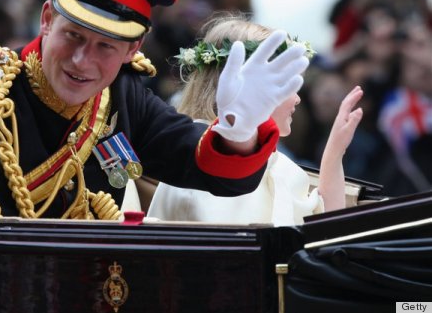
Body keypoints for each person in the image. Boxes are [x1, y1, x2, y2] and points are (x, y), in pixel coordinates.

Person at [0, 0, 309, 220]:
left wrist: (239, 127)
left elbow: (204, 165)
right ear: (46, 19)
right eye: (74, 36)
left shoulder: (121, 96)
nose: (84, 61)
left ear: (134, 48)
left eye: (106, 46)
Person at [147, 13, 363, 226]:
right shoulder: (194, 160)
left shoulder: (281, 166)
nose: (297, 99)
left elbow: (322, 231)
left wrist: (334, 152)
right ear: (243, 86)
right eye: (285, 84)